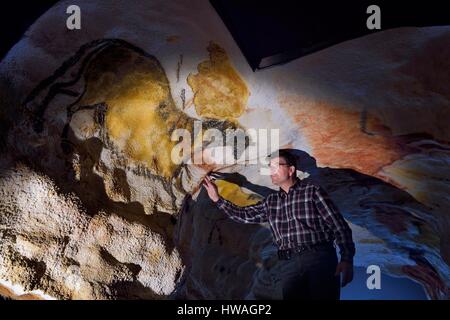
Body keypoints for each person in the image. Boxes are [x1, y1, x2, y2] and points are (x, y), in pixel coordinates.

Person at [202, 149, 355, 300]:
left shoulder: (312, 191)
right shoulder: (271, 202)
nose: (271, 170)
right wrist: (217, 199)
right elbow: (244, 215)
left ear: (291, 170)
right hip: (289, 265)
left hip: (318, 259)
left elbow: (338, 225)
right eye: (270, 167)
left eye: (276, 166)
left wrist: (347, 258)